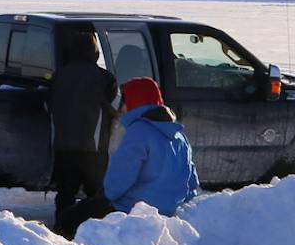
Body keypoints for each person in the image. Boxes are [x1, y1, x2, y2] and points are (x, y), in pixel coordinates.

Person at [64, 77, 199, 231]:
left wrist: (105, 195)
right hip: (169, 208)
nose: (122, 107)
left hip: (134, 208)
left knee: (71, 217)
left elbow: (120, 177)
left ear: (134, 101)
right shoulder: (179, 135)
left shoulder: (139, 131)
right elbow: (191, 181)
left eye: (125, 100)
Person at [45, 26, 117, 236]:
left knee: (65, 193)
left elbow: (48, 106)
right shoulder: (105, 78)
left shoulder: (59, 76)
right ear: (95, 51)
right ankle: (94, 234)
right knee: (95, 195)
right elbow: (116, 108)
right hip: (92, 149)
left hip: (63, 145)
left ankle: (61, 231)